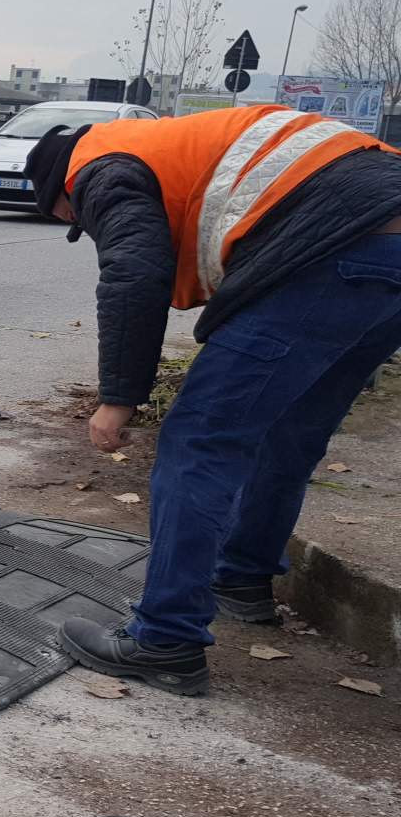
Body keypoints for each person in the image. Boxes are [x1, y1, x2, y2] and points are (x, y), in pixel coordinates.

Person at [22, 104, 401, 695]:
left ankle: (166, 641)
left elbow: (134, 270)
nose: (85, 227)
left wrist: (119, 397)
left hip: (330, 247)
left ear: (60, 193)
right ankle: (242, 581)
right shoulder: (164, 144)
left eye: (74, 221)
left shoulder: (99, 168)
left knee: (200, 439)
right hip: (384, 245)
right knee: (290, 430)